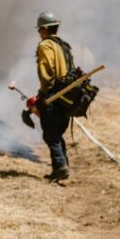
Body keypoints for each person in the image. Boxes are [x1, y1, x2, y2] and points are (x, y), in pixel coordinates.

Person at [35, 11, 74, 180]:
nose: (39, 33)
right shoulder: (64, 45)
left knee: (50, 133)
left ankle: (60, 166)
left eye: (39, 30)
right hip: (67, 96)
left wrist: (44, 94)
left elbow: (47, 72)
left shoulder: (45, 46)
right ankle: (62, 166)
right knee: (56, 133)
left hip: (53, 96)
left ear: (44, 29)